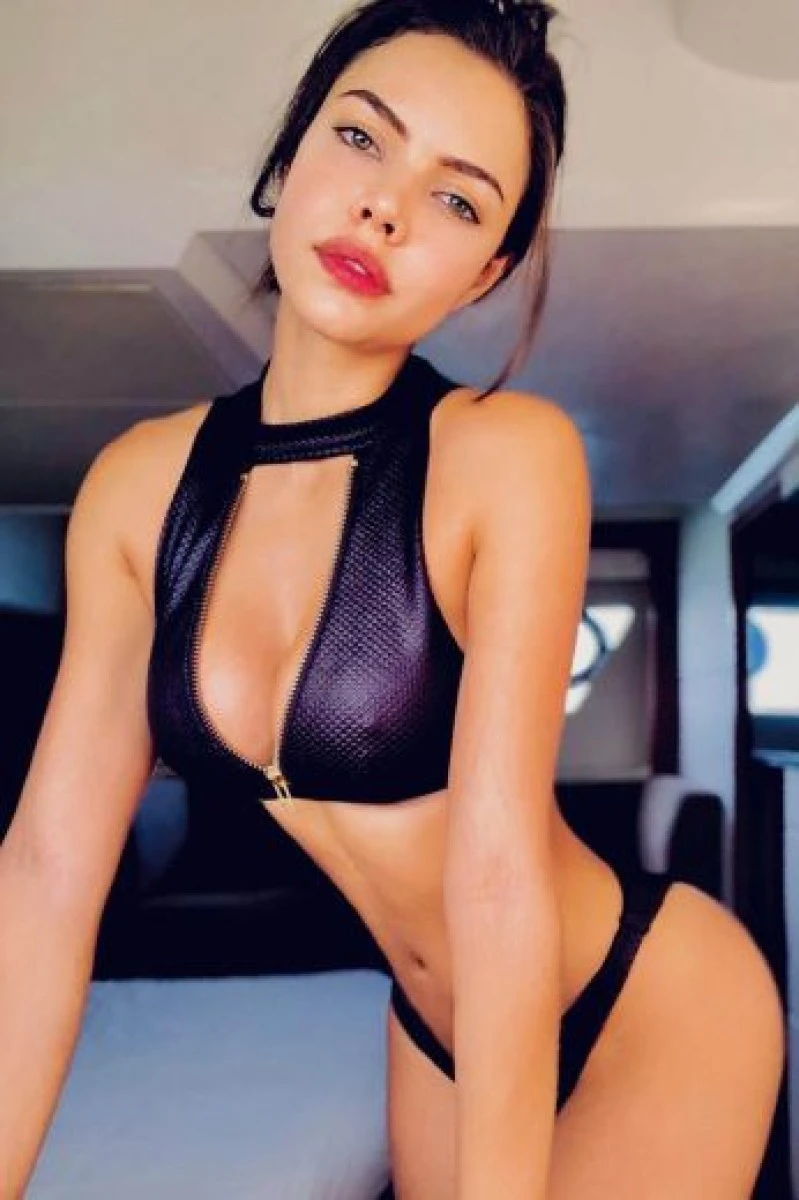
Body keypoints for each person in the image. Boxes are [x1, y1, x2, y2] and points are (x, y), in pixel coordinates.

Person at [0, 1, 786, 1196]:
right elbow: (47, 876)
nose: (385, 208)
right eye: (362, 138)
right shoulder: (137, 490)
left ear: (487, 272)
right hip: (434, 1027)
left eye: (458, 201)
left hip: (645, 998)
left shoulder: (506, 456)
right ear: (291, 154)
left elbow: (497, 873)